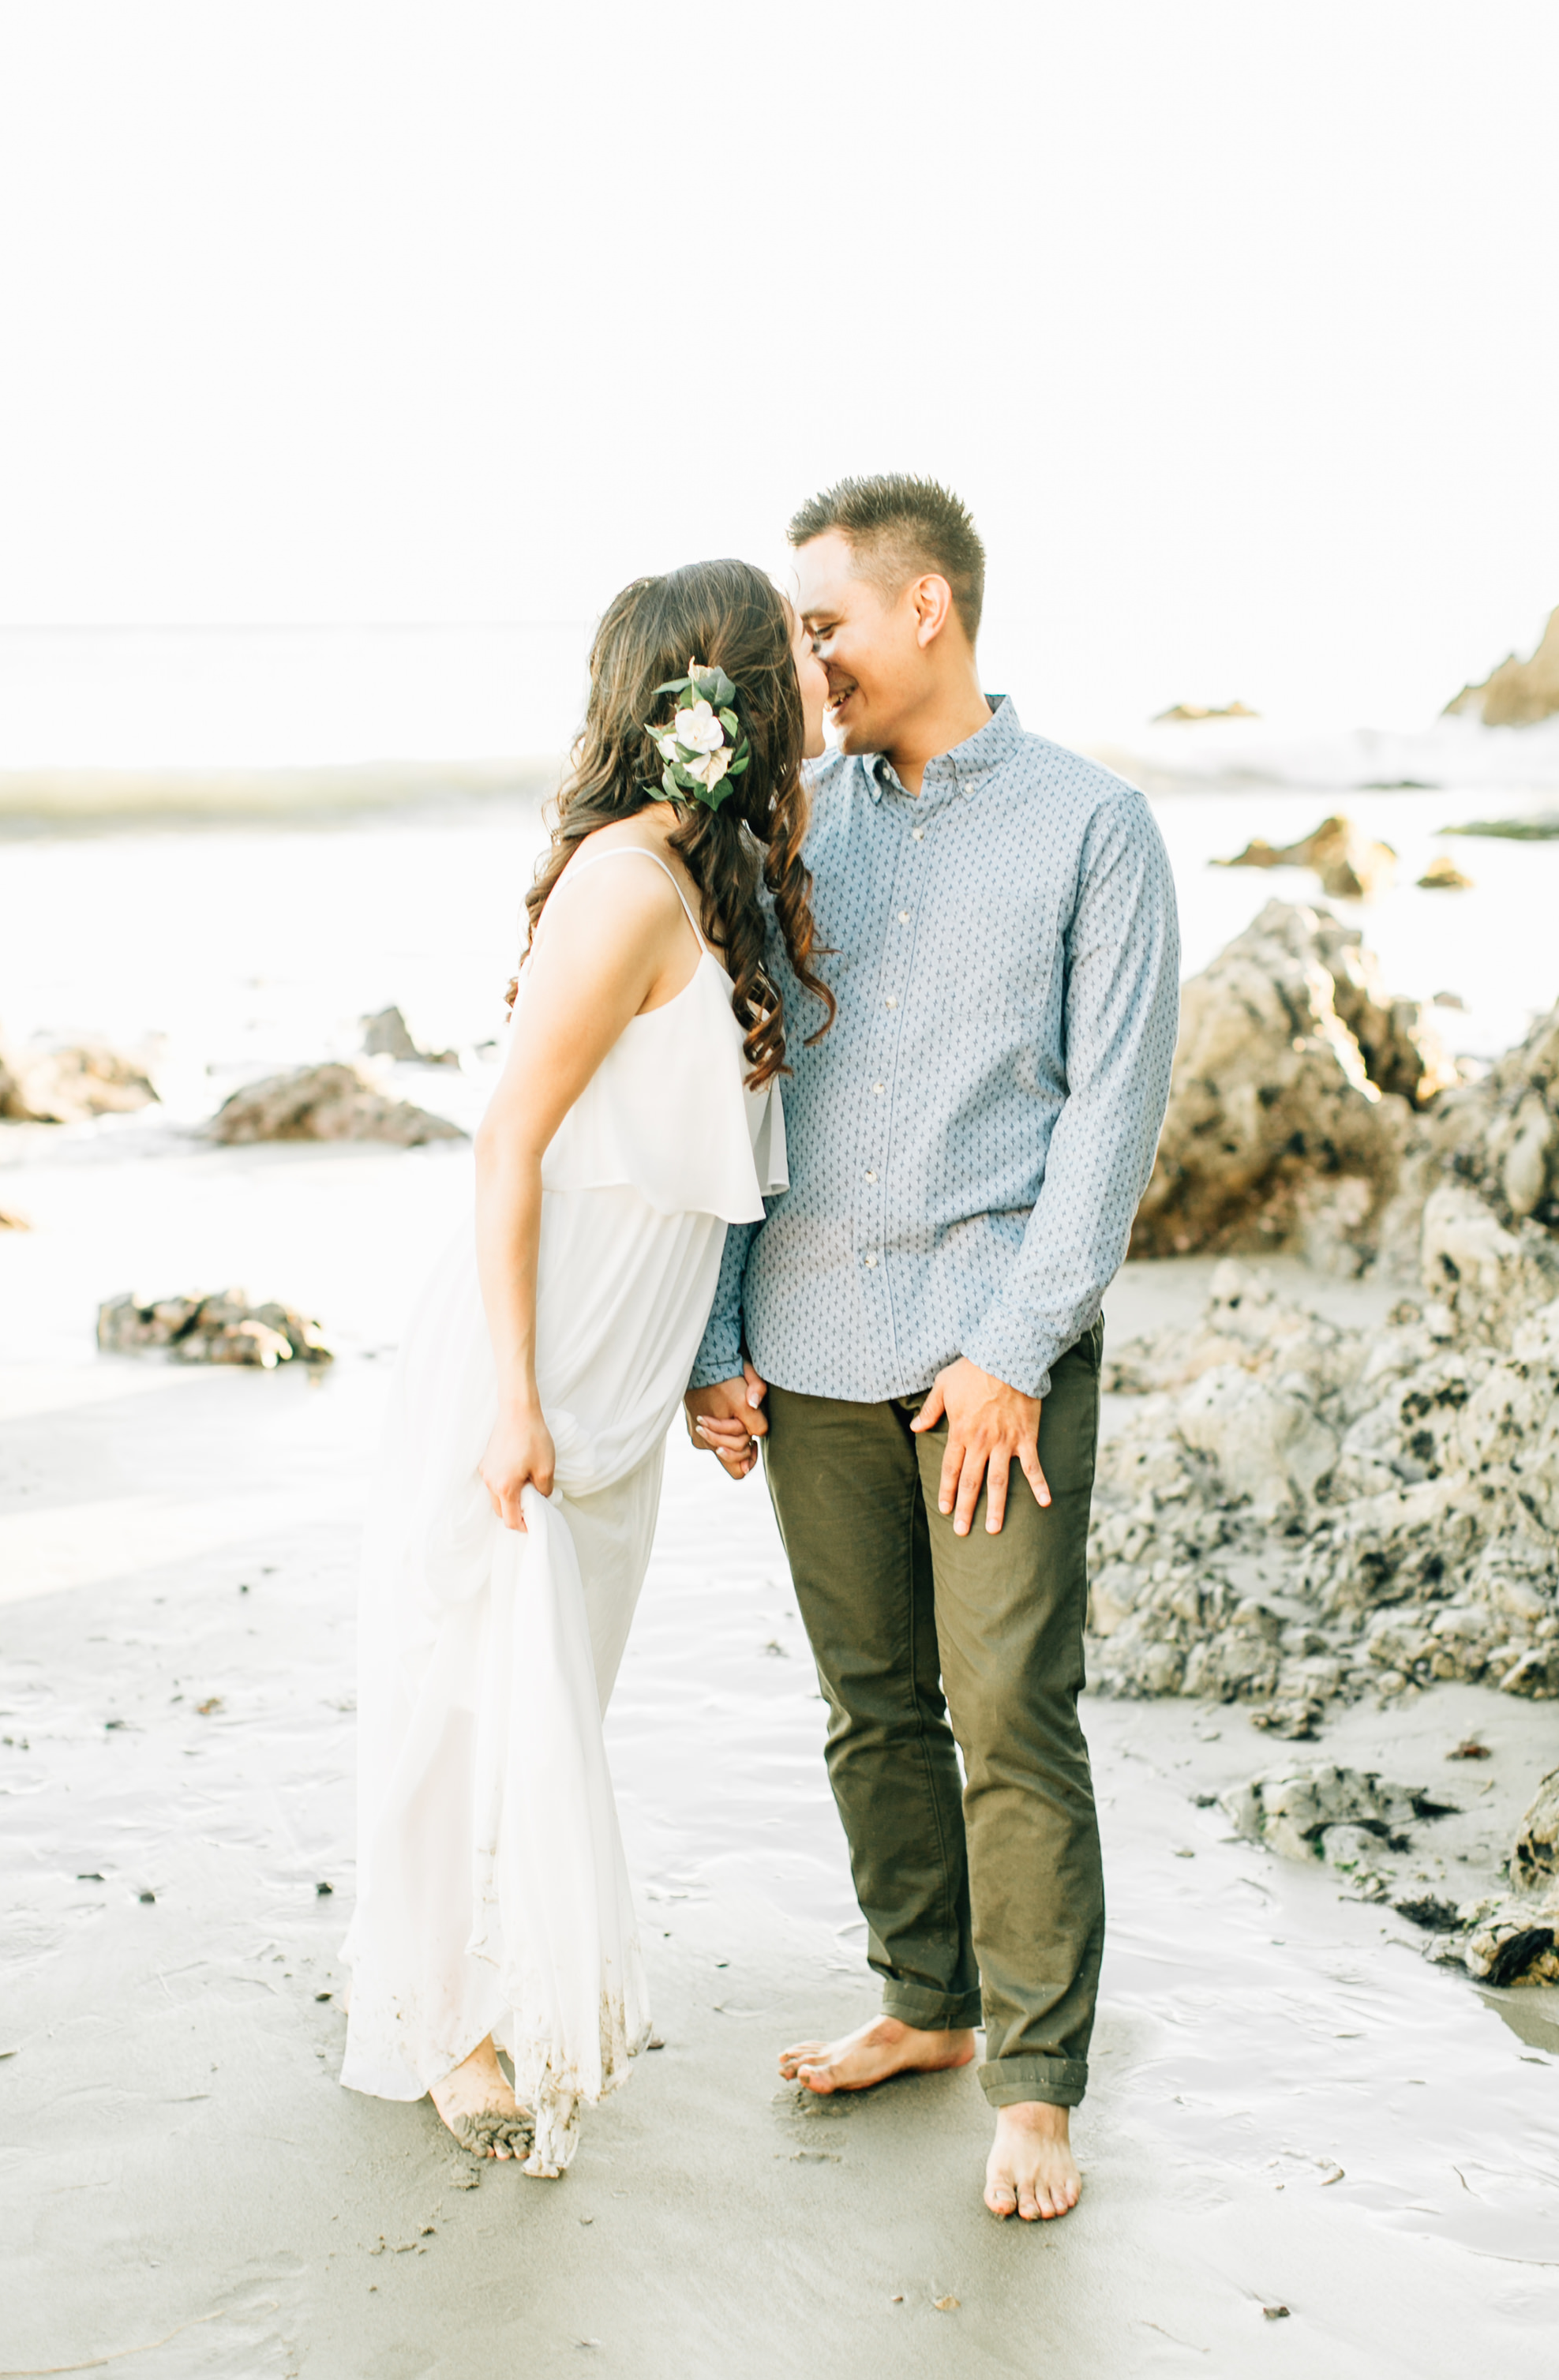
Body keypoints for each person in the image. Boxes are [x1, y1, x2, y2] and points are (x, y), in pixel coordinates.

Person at [686, 475, 1179, 2223]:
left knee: (1008, 1711)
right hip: (811, 1341)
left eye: (821, 623)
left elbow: (1111, 1119)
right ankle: (927, 2000)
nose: (800, 655)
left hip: (993, 1353)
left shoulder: (1092, 826)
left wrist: (1011, 1346)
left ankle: (1038, 2079)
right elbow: (732, 1085)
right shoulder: (785, 822)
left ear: (925, 611)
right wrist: (718, 1331)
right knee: (870, 1706)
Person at [339, 560, 833, 2176]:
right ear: (725, 704)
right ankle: (443, 2024)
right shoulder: (625, 888)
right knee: (470, 1696)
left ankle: (478, 1979)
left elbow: (697, 1176)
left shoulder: (716, 886)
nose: (812, 695)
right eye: (790, 671)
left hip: (613, 1380)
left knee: (554, 1702)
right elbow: (508, 1144)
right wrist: (515, 1396)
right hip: (529, 1366)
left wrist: (700, 1365)